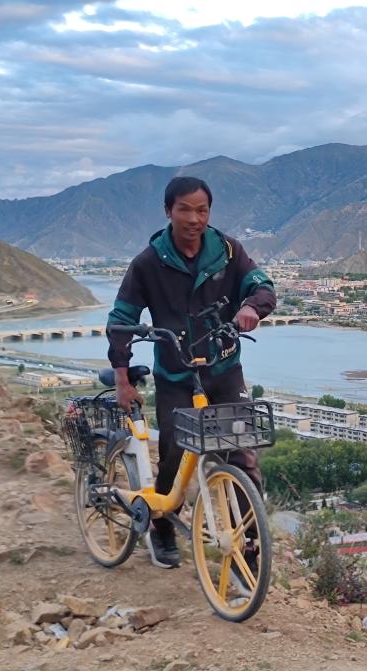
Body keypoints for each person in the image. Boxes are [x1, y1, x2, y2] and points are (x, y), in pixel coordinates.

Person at [106, 176, 276, 568]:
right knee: (174, 452)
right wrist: (122, 378)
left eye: (202, 210)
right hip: (176, 375)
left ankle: (249, 546)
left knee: (243, 455)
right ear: (168, 211)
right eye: (185, 209)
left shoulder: (228, 251)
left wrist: (251, 307)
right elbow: (121, 319)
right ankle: (162, 525)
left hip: (224, 370)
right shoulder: (148, 263)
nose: (194, 219)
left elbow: (261, 285)